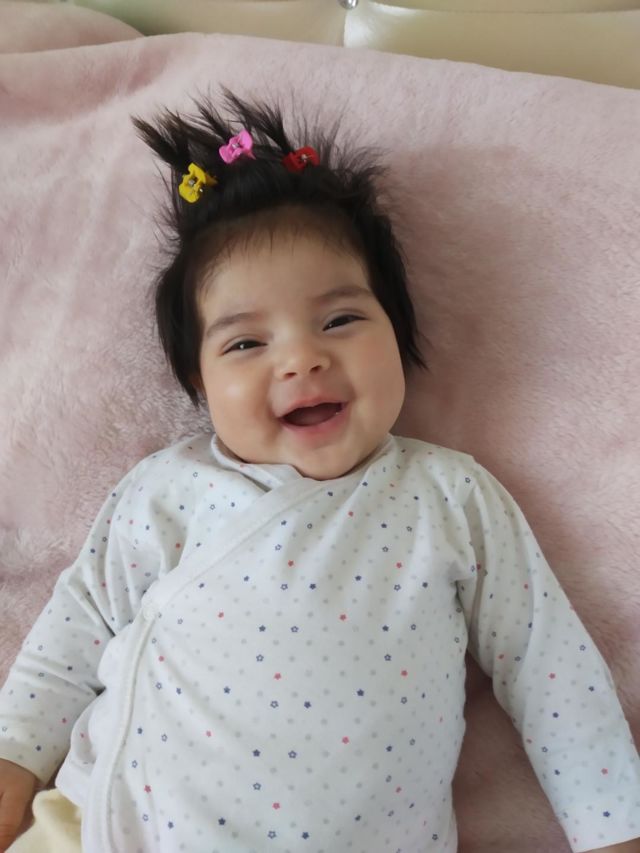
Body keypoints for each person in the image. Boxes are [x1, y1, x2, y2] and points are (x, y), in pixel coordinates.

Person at [0, 91, 638, 853]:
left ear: (398, 335)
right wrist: (14, 761)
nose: (302, 359)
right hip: (116, 825)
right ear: (198, 381)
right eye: (246, 344)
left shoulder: (448, 497)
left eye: (340, 320)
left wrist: (612, 826)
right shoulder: (168, 490)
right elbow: (75, 627)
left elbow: (550, 670)